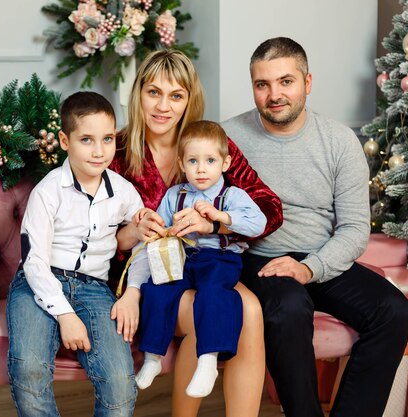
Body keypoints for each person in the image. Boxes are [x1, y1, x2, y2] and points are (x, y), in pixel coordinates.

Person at [220, 37, 408, 417]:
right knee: (289, 306)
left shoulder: (339, 141)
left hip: (320, 256)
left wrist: (310, 267)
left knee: (394, 312)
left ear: (307, 82)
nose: (274, 94)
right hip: (259, 259)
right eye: (262, 85)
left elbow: (356, 228)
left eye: (286, 82)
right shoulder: (227, 137)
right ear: (253, 87)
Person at [108, 49, 283, 417]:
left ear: (190, 99)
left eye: (176, 95)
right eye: (153, 92)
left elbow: (269, 208)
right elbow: (88, 235)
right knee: (238, 308)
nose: (163, 106)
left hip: (206, 264)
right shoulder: (117, 151)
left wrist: (214, 222)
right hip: (146, 274)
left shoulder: (207, 145)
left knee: (245, 306)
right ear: (138, 92)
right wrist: (131, 232)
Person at [6, 91, 145, 417]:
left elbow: (144, 245)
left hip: (94, 288)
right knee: (29, 368)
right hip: (37, 283)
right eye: (86, 140)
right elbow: (34, 262)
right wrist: (66, 315)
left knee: (121, 383)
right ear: (65, 141)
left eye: (107, 139)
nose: (99, 151)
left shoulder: (124, 192)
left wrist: (133, 292)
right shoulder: (48, 191)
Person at [128, 120, 267, 399]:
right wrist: (160, 227)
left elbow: (259, 223)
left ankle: (208, 360)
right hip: (183, 256)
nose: (201, 168)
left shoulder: (232, 195)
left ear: (225, 163)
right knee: (157, 289)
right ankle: (153, 357)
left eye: (210, 160)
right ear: (182, 163)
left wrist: (222, 218)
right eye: (193, 161)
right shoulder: (175, 196)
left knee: (213, 292)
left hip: (220, 258)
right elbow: (161, 230)